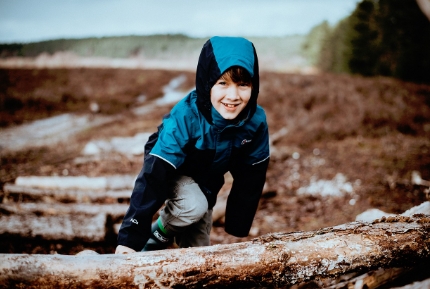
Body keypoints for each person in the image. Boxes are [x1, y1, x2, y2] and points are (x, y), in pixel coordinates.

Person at [115, 36, 270, 254]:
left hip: (206, 181)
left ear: (254, 86)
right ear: (208, 83)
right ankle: (148, 244)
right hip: (168, 168)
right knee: (192, 206)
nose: (233, 96)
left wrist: (238, 224)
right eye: (223, 83)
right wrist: (130, 238)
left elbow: (252, 174)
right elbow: (154, 175)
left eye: (243, 84)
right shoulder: (187, 116)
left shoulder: (255, 122)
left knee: (198, 254)